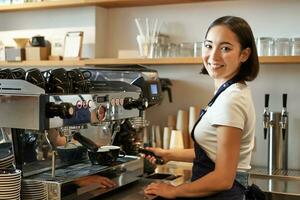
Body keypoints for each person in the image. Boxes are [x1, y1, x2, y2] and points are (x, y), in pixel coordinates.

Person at [144, 16, 259, 199]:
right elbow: (214, 150)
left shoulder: (232, 100)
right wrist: (167, 154)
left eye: (225, 48)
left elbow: (223, 178)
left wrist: (173, 191)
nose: (213, 56)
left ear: (244, 54)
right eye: (209, 45)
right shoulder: (230, 91)